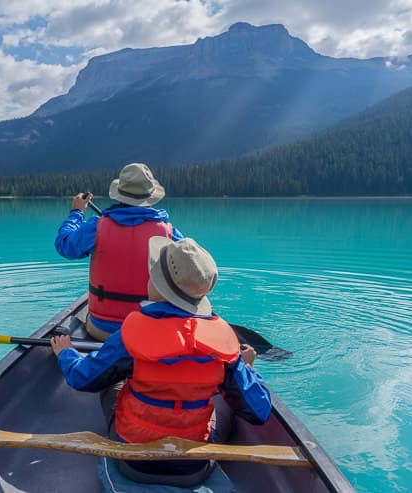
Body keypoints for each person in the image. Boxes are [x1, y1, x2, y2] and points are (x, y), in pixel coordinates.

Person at [50, 237, 271, 487]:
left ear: (157, 285)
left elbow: (82, 378)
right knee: (223, 400)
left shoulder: (131, 334)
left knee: (111, 387)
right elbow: (258, 411)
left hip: (134, 462)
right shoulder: (224, 345)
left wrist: (66, 353)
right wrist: (247, 368)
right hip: (194, 467)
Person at [55, 163, 184, 341]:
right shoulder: (168, 233)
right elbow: (192, 271)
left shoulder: (97, 227)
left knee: (89, 318)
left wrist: (76, 212)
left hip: (103, 331)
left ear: (120, 194)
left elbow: (65, 245)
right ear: (150, 196)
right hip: (149, 332)